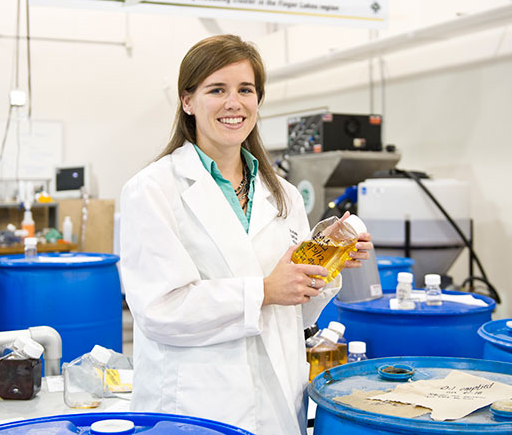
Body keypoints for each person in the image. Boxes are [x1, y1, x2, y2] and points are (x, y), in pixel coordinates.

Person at [119, 34, 374, 435]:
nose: (233, 103)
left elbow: (296, 316)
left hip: (277, 405)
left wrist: (330, 266)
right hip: (194, 406)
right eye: (216, 89)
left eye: (245, 90)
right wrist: (265, 290)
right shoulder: (152, 189)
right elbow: (159, 311)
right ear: (188, 101)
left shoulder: (284, 194)